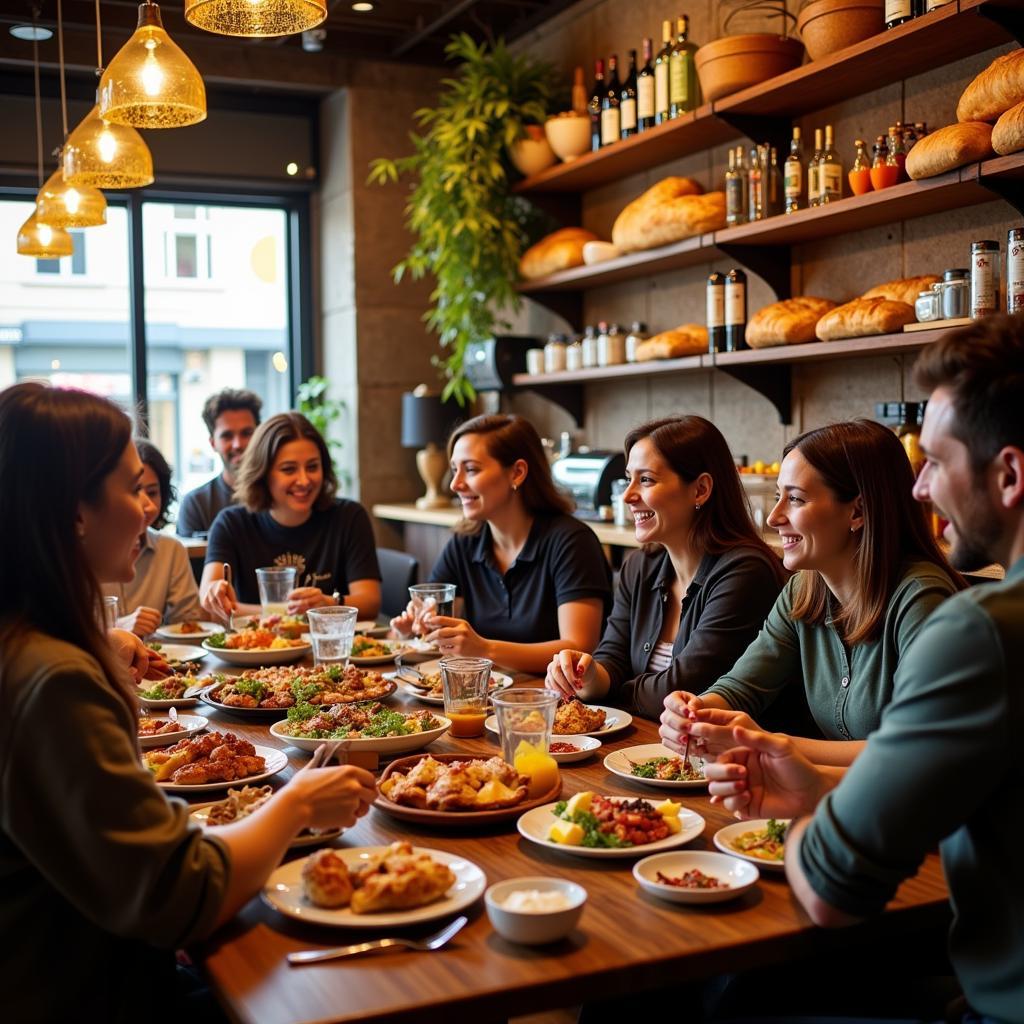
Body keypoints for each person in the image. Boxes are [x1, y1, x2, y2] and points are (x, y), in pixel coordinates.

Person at [0, 382, 377, 1022]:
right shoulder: (53, 680)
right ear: (74, 513)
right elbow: (180, 894)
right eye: (130, 488)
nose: (148, 510)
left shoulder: (27, 643)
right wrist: (298, 802)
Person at [703, 316, 1024, 1024]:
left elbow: (827, 889)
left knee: (730, 998)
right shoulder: (810, 590)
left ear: (1008, 474)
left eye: (935, 462)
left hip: (986, 999)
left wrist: (799, 792)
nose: (920, 490)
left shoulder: (976, 627)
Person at [661, 418, 963, 767]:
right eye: (778, 497)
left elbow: (915, 748)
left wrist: (769, 744)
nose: (774, 517)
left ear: (858, 510)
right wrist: (696, 711)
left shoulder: (920, 599)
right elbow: (741, 688)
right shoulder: (804, 590)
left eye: (796, 499)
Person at [544, 416, 787, 720]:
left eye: (645, 480)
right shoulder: (641, 565)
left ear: (700, 490)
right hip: (651, 748)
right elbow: (612, 659)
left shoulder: (745, 572)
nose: (627, 496)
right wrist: (586, 674)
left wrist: (611, 692)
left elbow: (684, 690)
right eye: (629, 478)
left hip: (723, 759)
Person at [391, 414, 612, 674]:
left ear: (517, 473)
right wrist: (418, 626)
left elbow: (579, 648)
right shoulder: (465, 542)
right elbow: (445, 625)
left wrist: (484, 649)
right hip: (484, 694)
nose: (455, 484)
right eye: (454, 469)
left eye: (471, 469)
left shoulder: (572, 541)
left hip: (556, 703)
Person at [201, 411, 381, 620]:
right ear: (263, 473)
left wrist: (329, 603)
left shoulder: (349, 517)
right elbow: (210, 600)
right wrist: (291, 614)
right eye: (289, 469)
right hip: (257, 649)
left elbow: (370, 602)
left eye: (313, 467)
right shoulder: (231, 524)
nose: (304, 481)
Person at [103, 439, 204, 636]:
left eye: (152, 492)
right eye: (134, 491)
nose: (147, 505)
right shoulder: (80, 555)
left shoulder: (171, 549)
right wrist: (118, 627)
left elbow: (189, 625)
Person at [177, 388, 261, 538]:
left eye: (246, 433)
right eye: (227, 436)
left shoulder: (280, 495)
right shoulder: (196, 504)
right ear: (213, 443)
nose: (237, 444)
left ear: (260, 435)